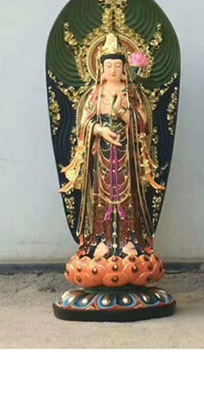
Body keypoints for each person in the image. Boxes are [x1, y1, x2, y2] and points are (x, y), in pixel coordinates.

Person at [59, 32, 164, 258]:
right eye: (109, 66)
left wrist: (124, 114)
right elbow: (84, 121)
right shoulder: (96, 94)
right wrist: (100, 130)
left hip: (126, 152)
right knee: (101, 196)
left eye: (117, 65)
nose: (113, 70)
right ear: (100, 68)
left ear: (125, 68)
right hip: (102, 153)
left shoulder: (131, 92)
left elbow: (142, 121)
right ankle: (101, 240)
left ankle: (129, 240)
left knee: (128, 195)